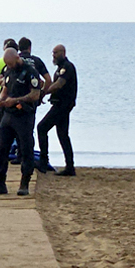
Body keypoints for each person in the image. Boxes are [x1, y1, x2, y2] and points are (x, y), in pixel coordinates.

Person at [0, 48, 41, 196]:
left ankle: (24, 184)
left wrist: (17, 100)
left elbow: (35, 94)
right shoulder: (9, 70)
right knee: (1, 148)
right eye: (8, 65)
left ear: (18, 58)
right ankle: (0, 183)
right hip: (8, 115)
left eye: (11, 64)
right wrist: (2, 98)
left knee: (26, 149)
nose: (10, 67)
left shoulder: (30, 72)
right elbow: (5, 86)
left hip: (23, 115)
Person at [37, 44, 78, 176]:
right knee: (63, 134)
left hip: (63, 105)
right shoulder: (60, 68)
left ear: (63, 53)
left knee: (42, 127)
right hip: (59, 104)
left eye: (56, 53)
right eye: (52, 53)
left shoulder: (67, 67)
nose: (53, 56)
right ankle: (70, 166)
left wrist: (43, 93)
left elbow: (58, 85)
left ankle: (44, 160)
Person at [0, 38, 18, 167]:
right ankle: (18, 154)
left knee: (2, 129)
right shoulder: (19, 63)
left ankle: (1, 156)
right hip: (14, 97)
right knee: (19, 131)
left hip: (3, 96)